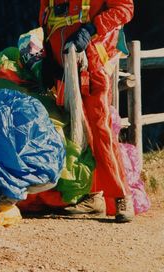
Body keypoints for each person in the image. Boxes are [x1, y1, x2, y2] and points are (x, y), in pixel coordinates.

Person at [40, 0, 135, 222]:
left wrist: (91, 28)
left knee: (99, 129)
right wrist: (47, 56)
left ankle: (121, 196)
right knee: (75, 132)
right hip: (62, 67)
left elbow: (124, 8)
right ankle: (92, 196)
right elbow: (47, 19)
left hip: (91, 65)